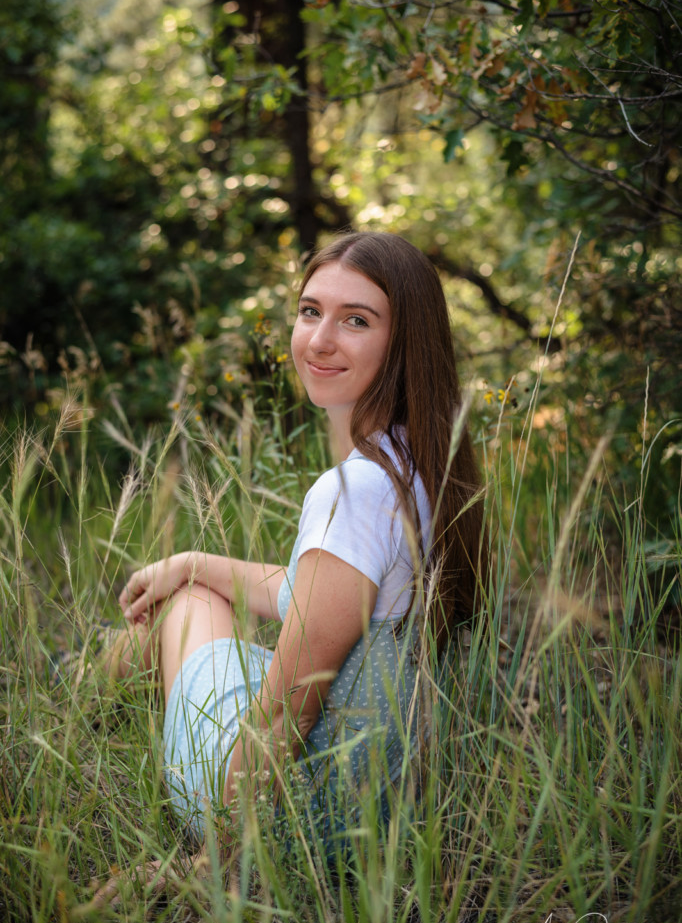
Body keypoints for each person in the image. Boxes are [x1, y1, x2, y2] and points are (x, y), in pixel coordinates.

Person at [104, 230, 486, 888]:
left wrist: (213, 865)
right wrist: (194, 558)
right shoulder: (418, 461)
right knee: (193, 585)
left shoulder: (357, 491)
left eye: (356, 321)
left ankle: (87, 683)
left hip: (305, 824)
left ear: (403, 343)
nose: (319, 340)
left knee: (188, 606)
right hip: (373, 801)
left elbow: (286, 715)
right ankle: (95, 674)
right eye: (311, 311)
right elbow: (323, 600)